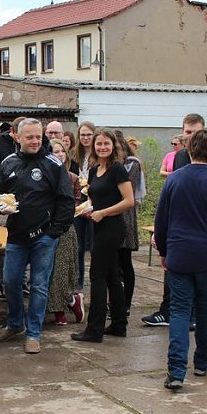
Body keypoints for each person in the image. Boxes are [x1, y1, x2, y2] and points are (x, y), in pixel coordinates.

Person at [155, 129, 207, 390]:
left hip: (179, 254)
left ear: (189, 150)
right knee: (205, 310)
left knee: (178, 312)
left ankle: (176, 372)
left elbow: (161, 221)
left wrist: (164, 252)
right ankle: (202, 362)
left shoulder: (174, 179)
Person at [0, 118, 75, 353]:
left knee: (39, 285)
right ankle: (15, 324)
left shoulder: (53, 164)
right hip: (16, 236)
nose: (35, 141)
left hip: (43, 237)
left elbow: (66, 201)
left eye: (38, 136)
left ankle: (34, 333)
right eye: (30, 137)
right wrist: (1, 206)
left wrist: (54, 232)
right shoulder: (7, 163)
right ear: (17, 137)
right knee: (11, 282)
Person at [141, 113, 207, 327]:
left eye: (196, 132)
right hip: (177, 224)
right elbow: (173, 193)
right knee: (170, 269)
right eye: (188, 132)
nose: (191, 136)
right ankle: (167, 311)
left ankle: (194, 315)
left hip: (201, 226)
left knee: (198, 274)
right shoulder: (180, 156)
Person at [71, 128, 134, 343]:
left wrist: (102, 213)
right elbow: (96, 198)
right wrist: (87, 208)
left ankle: (94, 329)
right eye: (99, 144)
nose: (102, 147)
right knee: (111, 277)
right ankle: (119, 325)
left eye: (106, 143)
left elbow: (129, 201)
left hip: (113, 227)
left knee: (97, 276)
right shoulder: (94, 170)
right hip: (98, 225)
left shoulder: (118, 169)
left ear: (113, 145)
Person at [46, 139, 84, 325]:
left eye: (62, 151)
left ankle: (63, 308)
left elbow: (76, 202)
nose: (59, 154)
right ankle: (68, 302)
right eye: (55, 151)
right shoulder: (42, 175)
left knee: (61, 270)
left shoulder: (72, 178)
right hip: (43, 227)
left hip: (65, 227)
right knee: (47, 270)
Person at [115, 131, 142, 316]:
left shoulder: (132, 164)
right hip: (108, 216)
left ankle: (126, 304)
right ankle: (115, 302)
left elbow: (128, 191)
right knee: (112, 263)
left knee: (124, 261)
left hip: (125, 215)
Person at [71, 121, 96, 293]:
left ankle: (96, 279)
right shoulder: (74, 155)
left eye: (89, 134)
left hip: (95, 201)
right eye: (83, 135)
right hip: (79, 201)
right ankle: (78, 282)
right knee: (78, 245)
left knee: (94, 244)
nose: (86, 138)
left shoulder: (99, 154)